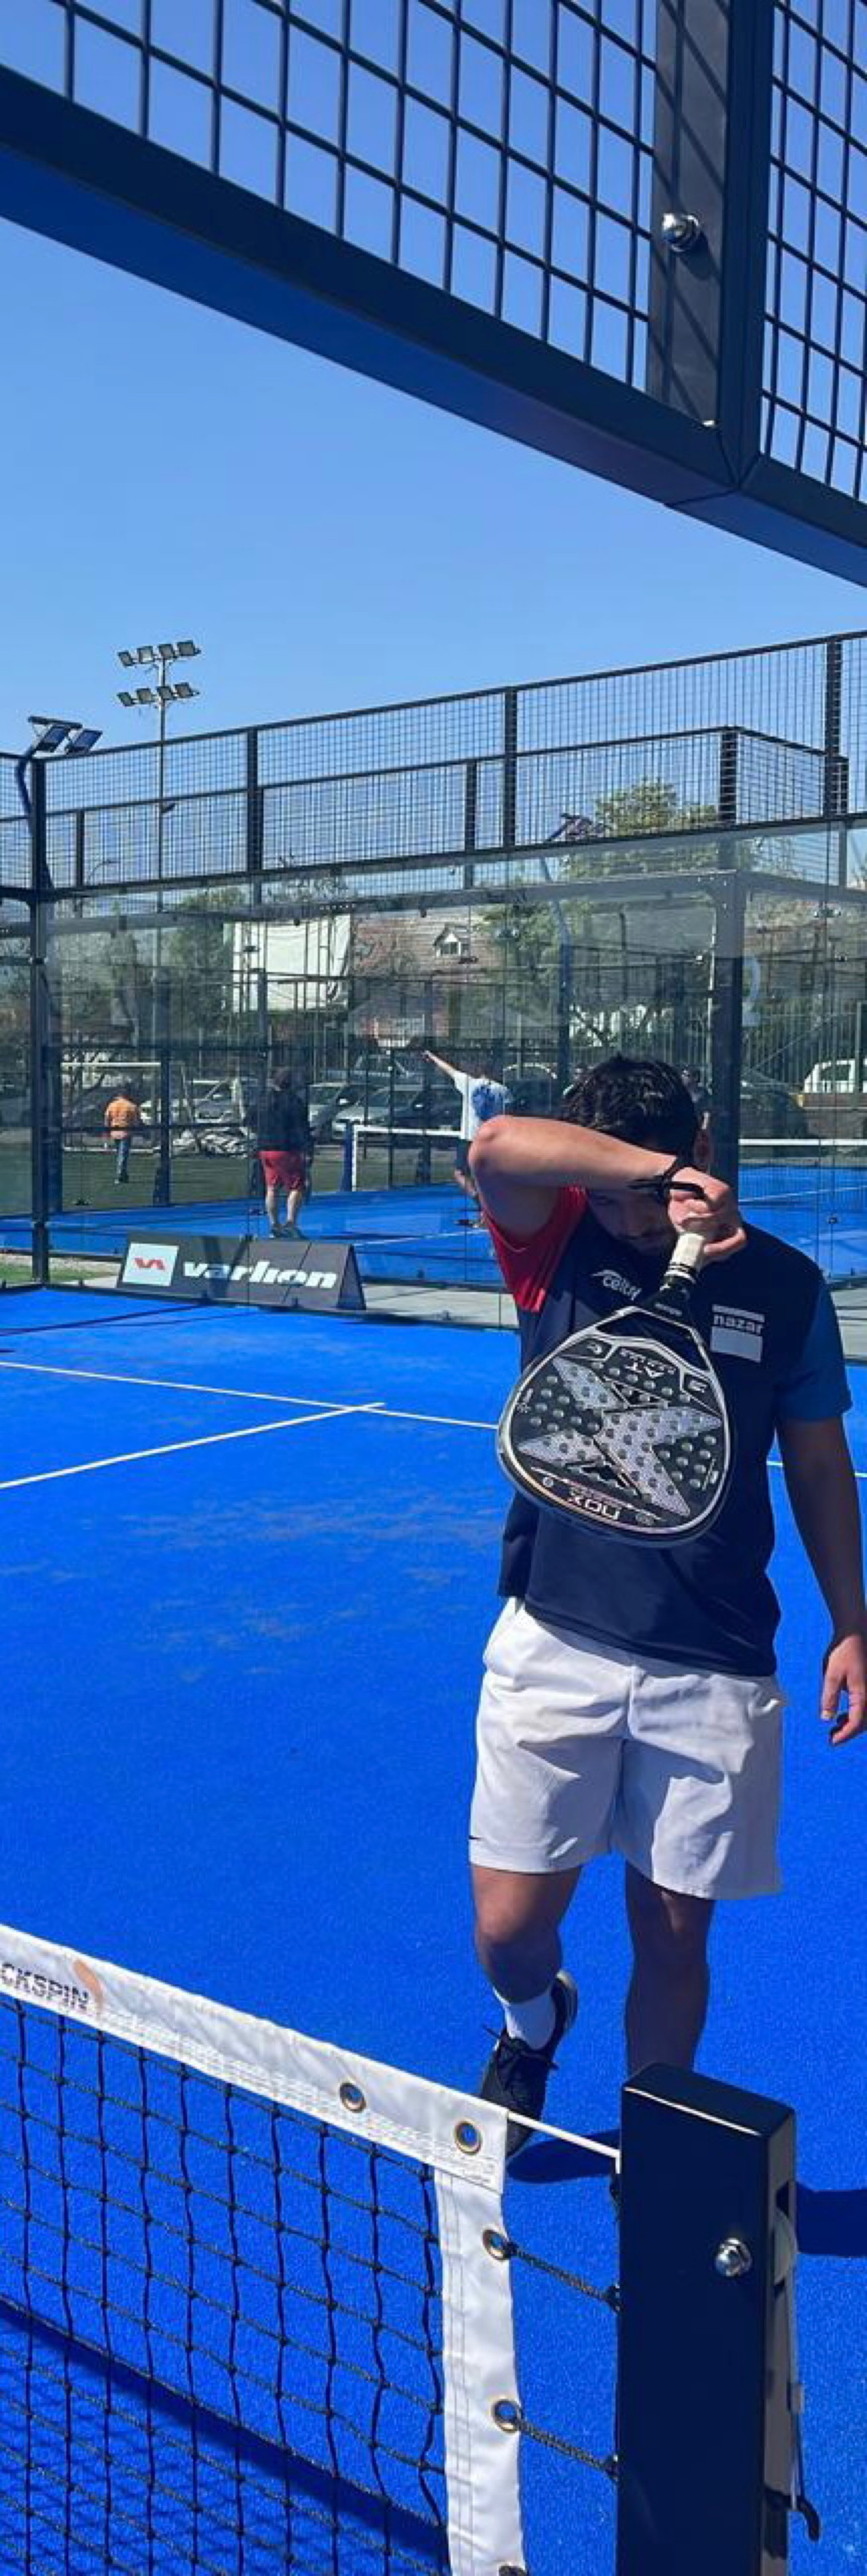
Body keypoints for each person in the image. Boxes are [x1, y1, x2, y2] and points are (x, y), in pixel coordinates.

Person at [467, 1053, 866, 2154]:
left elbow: (817, 1463)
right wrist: (644, 1179)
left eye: (650, 1198)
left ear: (704, 1149)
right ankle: (533, 2021)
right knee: (507, 1931)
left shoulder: (785, 1286)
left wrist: (851, 1621)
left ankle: (650, 2151)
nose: (629, 1223)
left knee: (674, 1937)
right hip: (554, 1638)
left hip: (713, 1659)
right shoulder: (554, 1239)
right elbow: (494, 1148)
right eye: (610, 1195)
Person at [422, 1048, 509, 1222]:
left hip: (470, 1139)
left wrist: (432, 1057)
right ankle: (488, 1211)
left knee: (460, 1174)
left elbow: (449, 1070)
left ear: (479, 1069)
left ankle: (483, 1207)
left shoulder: (469, 1083)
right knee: (487, 1179)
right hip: (492, 1140)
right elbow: (508, 1117)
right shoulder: (503, 1090)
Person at [256, 1072, 312, 1238]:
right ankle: (291, 1224)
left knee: (272, 1187)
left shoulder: (263, 1101)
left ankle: (274, 1226)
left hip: (266, 1149)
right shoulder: (295, 1102)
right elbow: (302, 1127)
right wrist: (307, 1149)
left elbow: (250, 1119)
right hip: (287, 1150)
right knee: (296, 1187)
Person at [103, 1087, 143, 1185]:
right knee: (123, 1155)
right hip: (126, 1133)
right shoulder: (132, 1106)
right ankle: (120, 1176)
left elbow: (107, 1119)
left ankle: (124, 1175)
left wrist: (107, 1132)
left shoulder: (112, 1105)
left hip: (114, 1133)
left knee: (120, 1154)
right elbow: (136, 1123)